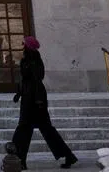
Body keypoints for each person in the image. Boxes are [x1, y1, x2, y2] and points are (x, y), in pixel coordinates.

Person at [11, 36, 79, 169]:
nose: (22, 46)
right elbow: (25, 80)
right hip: (30, 98)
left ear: (28, 46)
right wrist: (19, 94)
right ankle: (68, 156)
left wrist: (38, 100)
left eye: (24, 44)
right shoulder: (27, 59)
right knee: (39, 130)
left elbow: (36, 80)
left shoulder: (33, 59)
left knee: (26, 130)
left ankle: (18, 159)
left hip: (34, 101)